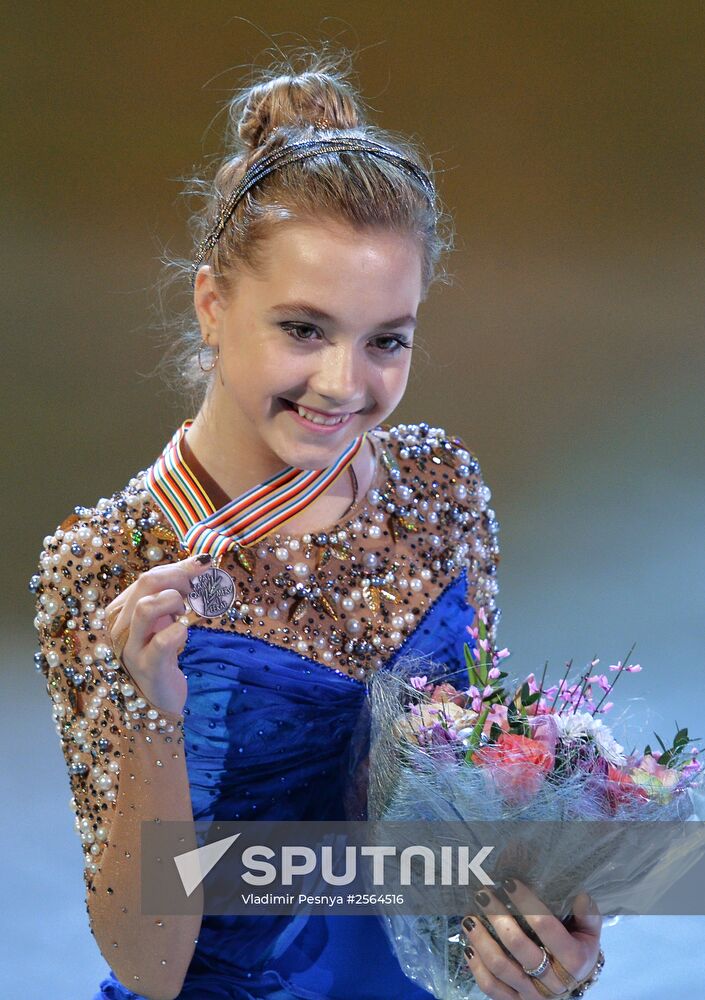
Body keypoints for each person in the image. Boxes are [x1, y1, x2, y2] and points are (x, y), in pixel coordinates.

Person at [30, 50, 604, 1000]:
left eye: (387, 340)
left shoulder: (440, 491)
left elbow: (462, 839)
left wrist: (548, 953)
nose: (345, 384)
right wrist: (145, 721)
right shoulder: (108, 566)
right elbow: (147, 964)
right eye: (304, 329)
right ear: (213, 302)